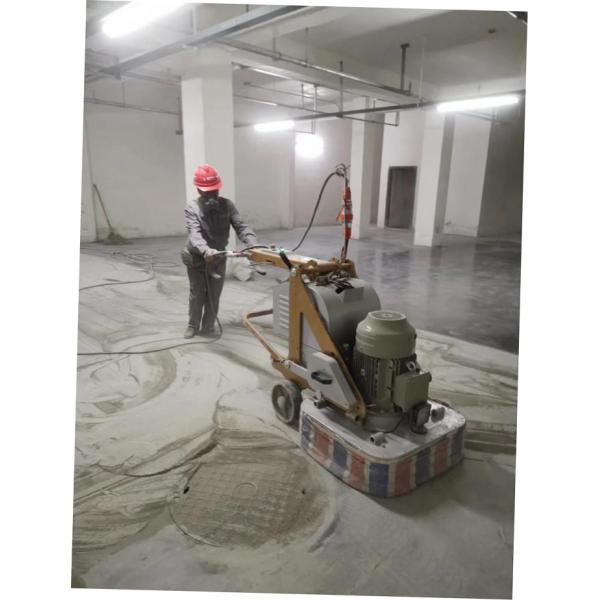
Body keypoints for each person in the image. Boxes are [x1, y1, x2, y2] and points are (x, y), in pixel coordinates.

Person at [181, 164, 257, 338]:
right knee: (197, 293)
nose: (211, 196)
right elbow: (195, 234)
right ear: (199, 190)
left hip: (218, 256)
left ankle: (208, 326)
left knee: (214, 294)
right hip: (197, 257)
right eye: (207, 193)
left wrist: (252, 243)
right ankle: (192, 325)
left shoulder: (227, 205)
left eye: (214, 191)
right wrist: (205, 250)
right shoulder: (192, 208)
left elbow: (241, 226)